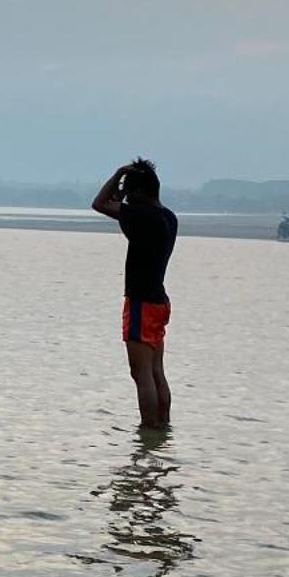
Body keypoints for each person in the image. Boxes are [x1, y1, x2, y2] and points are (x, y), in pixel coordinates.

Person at [92, 158, 179, 430]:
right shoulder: (167, 217)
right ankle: (162, 428)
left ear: (139, 192)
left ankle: (148, 431)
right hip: (159, 301)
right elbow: (117, 203)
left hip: (141, 302)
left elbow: (100, 203)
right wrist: (126, 189)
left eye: (130, 193)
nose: (126, 198)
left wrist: (118, 174)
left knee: (140, 374)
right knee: (156, 372)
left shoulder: (142, 216)